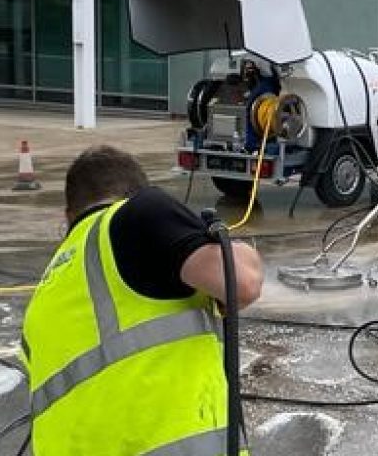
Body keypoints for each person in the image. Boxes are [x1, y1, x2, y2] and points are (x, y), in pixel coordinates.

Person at [19, 146, 263, 455]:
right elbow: (243, 282)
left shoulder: (46, 292)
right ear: (136, 192)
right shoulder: (138, 214)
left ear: (69, 214)